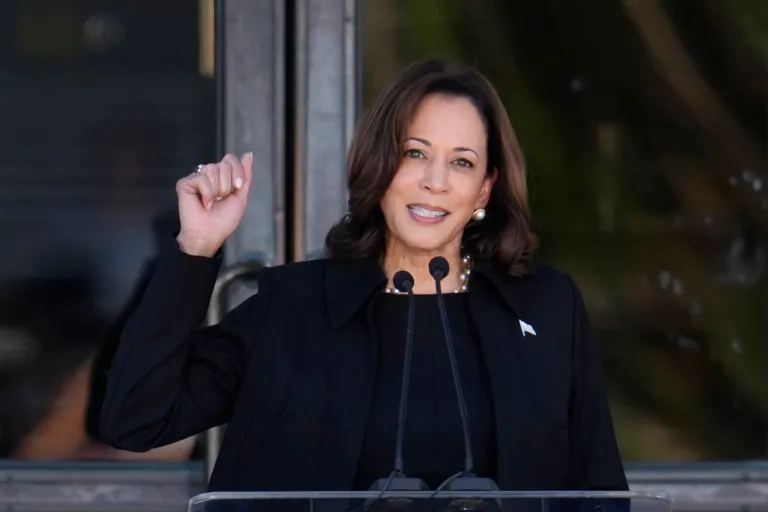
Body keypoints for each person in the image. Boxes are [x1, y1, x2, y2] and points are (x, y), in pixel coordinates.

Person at [95, 59, 628, 495]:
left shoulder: (546, 309)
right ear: (381, 165)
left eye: (461, 162)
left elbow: (598, 490)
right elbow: (136, 419)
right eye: (415, 153)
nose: (436, 181)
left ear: (485, 190)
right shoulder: (295, 308)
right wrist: (196, 248)